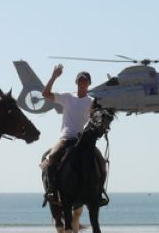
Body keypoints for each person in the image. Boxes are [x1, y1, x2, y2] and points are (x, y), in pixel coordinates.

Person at [42, 64, 109, 207]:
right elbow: (45, 94)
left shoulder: (92, 101)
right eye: (80, 80)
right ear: (76, 82)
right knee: (52, 157)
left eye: (85, 81)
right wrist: (54, 76)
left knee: (102, 163)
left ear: (89, 83)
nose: (82, 83)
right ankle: (52, 190)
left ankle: (99, 192)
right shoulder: (67, 97)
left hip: (83, 140)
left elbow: (98, 119)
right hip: (66, 137)